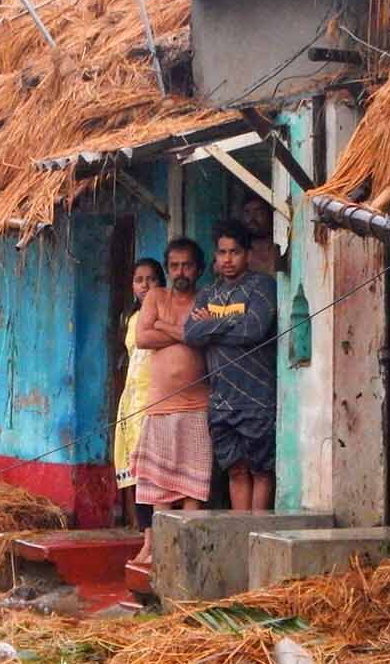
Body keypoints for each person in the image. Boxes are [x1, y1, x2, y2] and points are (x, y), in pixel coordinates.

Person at [183, 221, 278, 511]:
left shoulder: (262, 286)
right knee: (236, 471)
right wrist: (228, 325)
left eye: (234, 252)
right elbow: (191, 334)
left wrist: (211, 324)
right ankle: (240, 537)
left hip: (258, 400)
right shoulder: (208, 293)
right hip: (221, 402)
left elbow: (255, 330)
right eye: (222, 252)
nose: (227, 259)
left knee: (261, 471)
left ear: (247, 254)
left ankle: (258, 541)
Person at [129, 238, 212, 565]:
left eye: (187, 265)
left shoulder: (206, 299)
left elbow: (204, 335)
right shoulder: (156, 296)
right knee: (159, 491)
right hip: (160, 408)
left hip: (196, 408)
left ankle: (185, 561)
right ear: (167, 268)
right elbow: (142, 337)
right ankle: (163, 558)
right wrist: (184, 330)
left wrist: (164, 326)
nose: (180, 271)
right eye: (174, 265)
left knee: (193, 490)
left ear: (199, 269)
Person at [112, 258, 165, 534]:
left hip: (155, 398)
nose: (145, 285)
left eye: (151, 279)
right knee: (136, 472)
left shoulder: (166, 313)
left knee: (156, 473)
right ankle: (145, 534)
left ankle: (159, 534)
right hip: (132, 401)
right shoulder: (131, 318)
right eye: (139, 280)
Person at [238, 192, 279, 275]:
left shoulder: (280, 248)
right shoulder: (238, 251)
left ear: (269, 214)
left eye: (258, 212)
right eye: (247, 213)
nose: (252, 219)